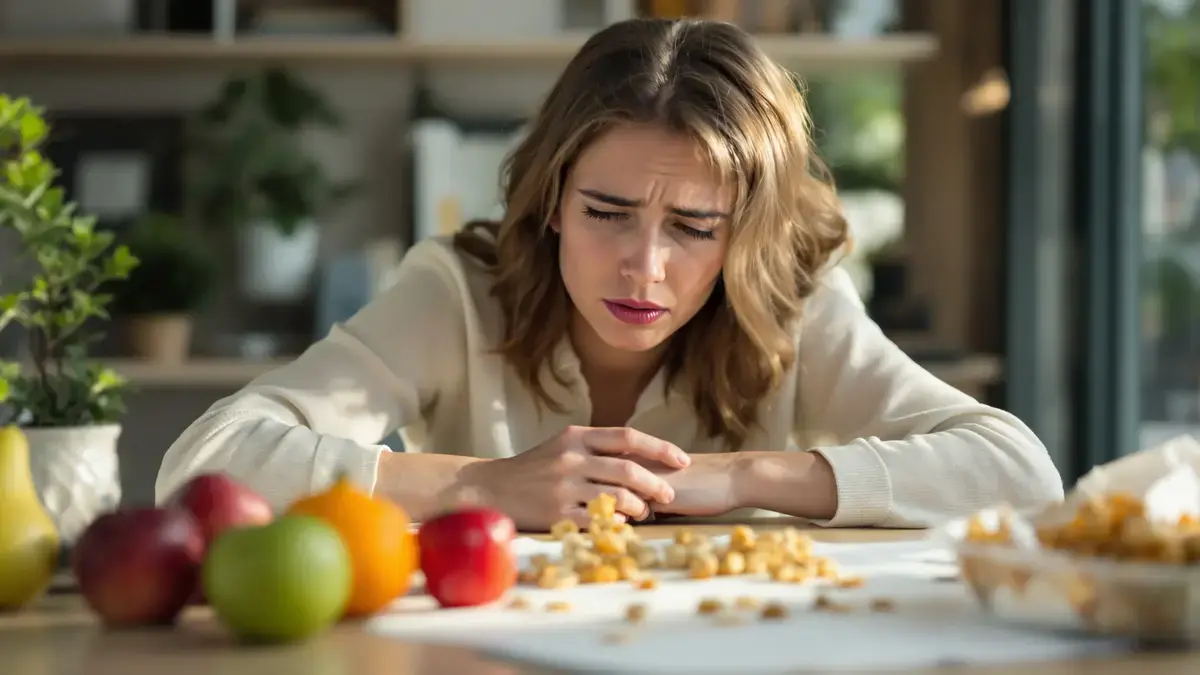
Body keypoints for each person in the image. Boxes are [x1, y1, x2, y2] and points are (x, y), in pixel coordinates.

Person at [155, 17, 1064, 531]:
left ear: (742, 234)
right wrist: (478, 484)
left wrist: (740, 476)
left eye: (696, 227)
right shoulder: (458, 291)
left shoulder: (796, 301)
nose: (645, 265)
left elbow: (1019, 471)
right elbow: (201, 465)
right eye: (606, 213)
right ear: (551, 199)